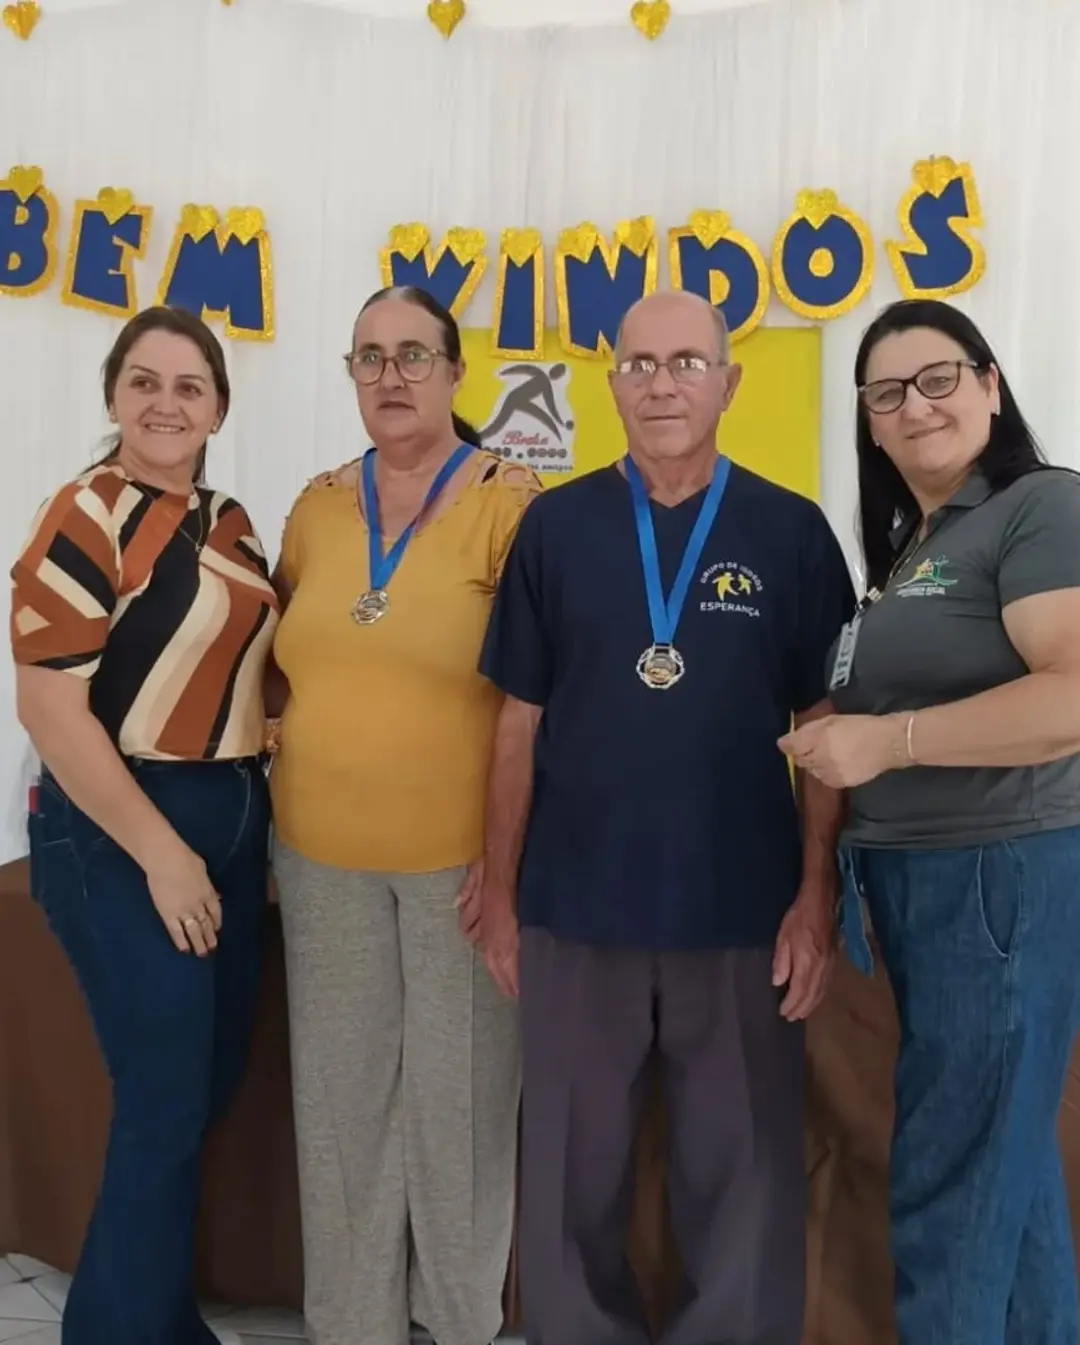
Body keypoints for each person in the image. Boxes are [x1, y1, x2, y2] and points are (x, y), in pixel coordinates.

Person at [478, 289, 855, 1345]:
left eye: (687, 362)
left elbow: (824, 722)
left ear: (729, 382)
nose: (662, 383)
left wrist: (814, 896)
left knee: (743, 1181)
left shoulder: (790, 529)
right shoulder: (555, 525)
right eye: (640, 364)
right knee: (565, 1182)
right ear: (611, 385)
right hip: (573, 909)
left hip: (740, 912)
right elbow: (517, 720)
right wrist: (499, 890)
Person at [781, 299, 1080, 1345]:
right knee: (1008, 1172)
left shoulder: (1040, 508)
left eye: (940, 377)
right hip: (921, 890)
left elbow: (1071, 700)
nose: (916, 405)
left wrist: (886, 745)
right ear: (867, 421)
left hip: (997, 880)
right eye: (887, 391)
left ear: (992, 386)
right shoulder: (913, 546)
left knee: (951, 1186)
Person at [269, 285, 538, 1345]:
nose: (391, 375)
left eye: (413, 355)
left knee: (458, 1112)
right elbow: (280, 656)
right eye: (370, 356)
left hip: (459, 871)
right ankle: (352, 1324)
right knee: (341, 1114)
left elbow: (542, 700)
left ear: (456, 372)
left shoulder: (510, 502)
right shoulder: (317, 506)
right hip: (320, 859)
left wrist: (513, 860)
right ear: (349, 374)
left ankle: (460, 1325)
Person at [11, 305, 279, 1345]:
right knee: (165, 1098)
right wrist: (164, 854)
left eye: (190, 386)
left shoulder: (232, 521)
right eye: (146, 382)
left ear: (219, 405)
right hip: (118, 825)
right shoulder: (85, 512)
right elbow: (49, 708)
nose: (167, 403)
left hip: (232, 817)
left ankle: (160, 1318)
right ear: (113, 395)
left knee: (199, 1090)